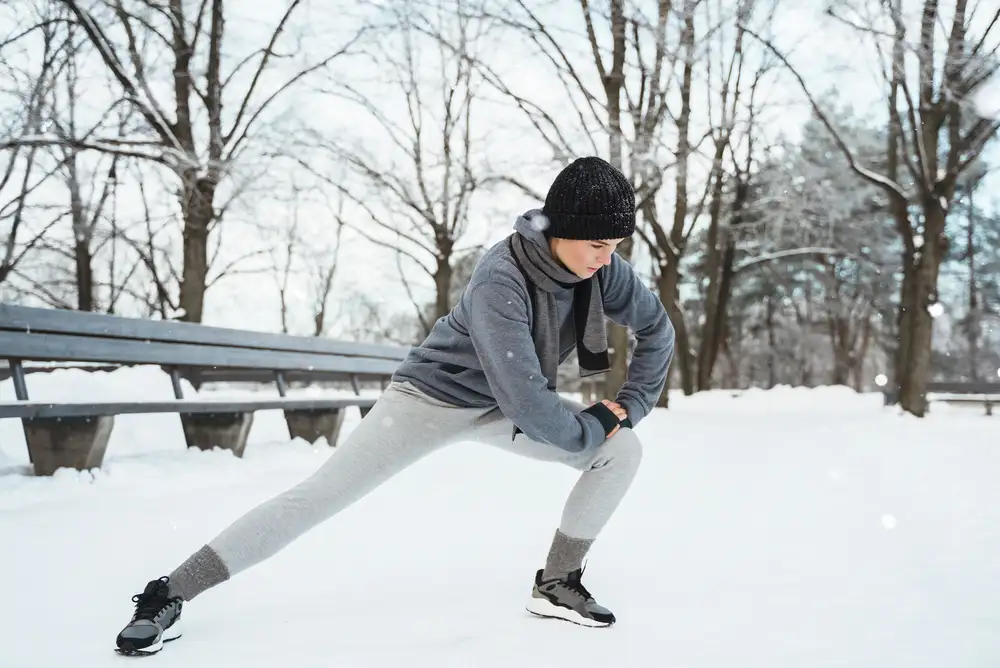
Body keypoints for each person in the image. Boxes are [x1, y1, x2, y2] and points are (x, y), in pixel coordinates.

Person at [114, 156, 675, 655]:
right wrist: (588, 426)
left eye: (616, 248)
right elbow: (527, 397)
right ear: (565, 231)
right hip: (432, 398)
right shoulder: (500, 277)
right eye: (598, 245)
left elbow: (658, 329)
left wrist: (628, 406)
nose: (607, 259)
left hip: (507, 407)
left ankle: (556, 583)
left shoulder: (601, 271)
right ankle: (172, 592)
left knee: (621, 452)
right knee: (318, 497)